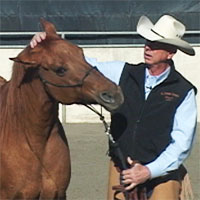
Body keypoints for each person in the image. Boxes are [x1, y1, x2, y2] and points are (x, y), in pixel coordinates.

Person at [30, 15, 197, 200]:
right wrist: (49, 44)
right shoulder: (123, 73)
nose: (148, 47)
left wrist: (149, 171)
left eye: (156, 44)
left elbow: (181, 144)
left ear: (171, 52)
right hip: (121, 168)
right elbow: (82, 65)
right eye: (148, 41)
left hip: (161, 175)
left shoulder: (184, 91)